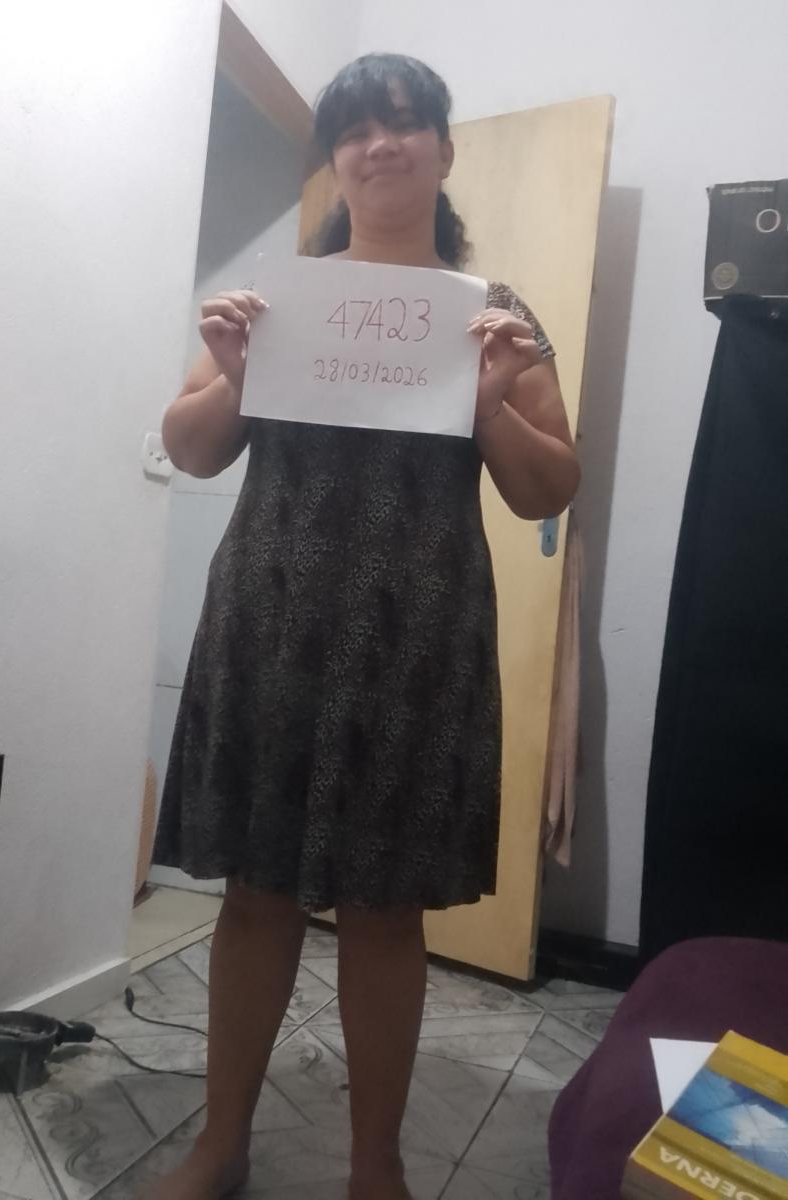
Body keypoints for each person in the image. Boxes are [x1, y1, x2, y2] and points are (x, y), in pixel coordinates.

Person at [149, 53, 579, 1200]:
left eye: (402, 123)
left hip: (416, 642)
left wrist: (486, 409)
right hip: (270, 626)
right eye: (353, 129)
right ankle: (219, 1145)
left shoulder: (493, 317)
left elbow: (547, 489)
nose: (378, 144)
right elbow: (189, 448)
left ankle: (374, 1166)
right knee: (254, 894)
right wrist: (233, 375)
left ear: (442, 148)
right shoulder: (280, 301)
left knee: (386, 909)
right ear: (336, 159)